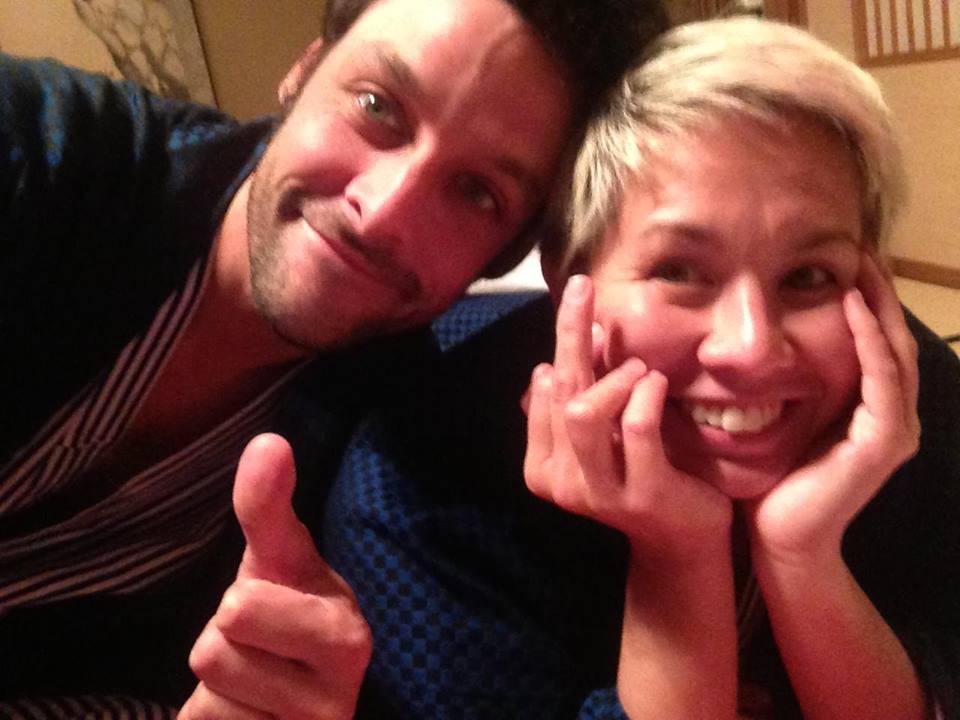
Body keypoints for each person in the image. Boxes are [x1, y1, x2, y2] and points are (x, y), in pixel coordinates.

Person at [0, 0, 669, 716]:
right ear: (306, 69)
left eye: (477, 193)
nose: (382, 212)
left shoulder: (397, 447)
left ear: (503, 255)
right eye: (378, 107)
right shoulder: (45, 152)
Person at [323, 17, 960, 719]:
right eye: (679, 270)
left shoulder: (906, 405)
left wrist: (802, 555)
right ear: (570, 278)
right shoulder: (416, 493)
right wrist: (677, 558)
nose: (751, 346)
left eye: (808, 275)